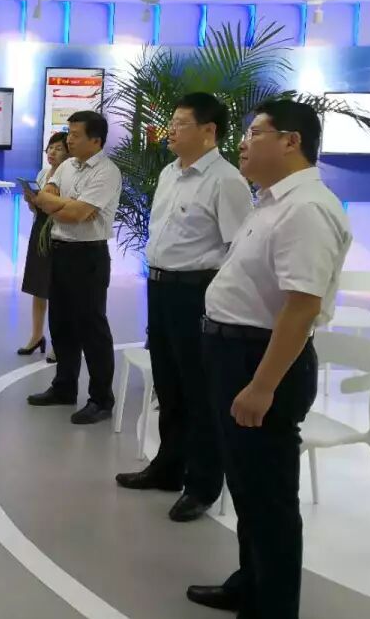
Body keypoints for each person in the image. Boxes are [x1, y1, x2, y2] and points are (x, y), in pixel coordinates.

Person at [187, 100, 350, 619]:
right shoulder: (272, 202)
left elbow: (301, 308)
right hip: (234, 352)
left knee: (270, 497)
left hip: (260, 360)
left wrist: (262, 386)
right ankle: (250, 584)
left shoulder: (307, 209)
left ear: (291, 141)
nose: (243, 143)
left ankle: (274, 608)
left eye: (255, 132)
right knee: (248, 487)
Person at [116, 93, 253, 523]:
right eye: (171, 122)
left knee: (200, 392)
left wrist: (216, 302)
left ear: (208, 131)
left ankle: (202, 484)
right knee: (169, 384)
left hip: (198, 292)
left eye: (179, 123)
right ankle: (168, 467)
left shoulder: (226, 181)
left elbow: (238, 249)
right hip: (160, 288)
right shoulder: (169, 172)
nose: (170, 130)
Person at [26, 110, 122, 425]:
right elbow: (48, 196)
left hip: (88, 256)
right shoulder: (67, 165)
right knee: (62, 324)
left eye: (76, 135)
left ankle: (101, 399)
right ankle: (64, 387)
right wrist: (62, 203)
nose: (69, 140)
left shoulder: (107, 172)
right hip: (60, 251)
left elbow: (76, 214)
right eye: (69, 133)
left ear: (96, 140)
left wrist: (57, 204)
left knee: (92, 328)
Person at [18, 131, 69, 360]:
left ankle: (60, 342)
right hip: (40, 229)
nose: (52, 152)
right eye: (50, 148)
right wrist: (31, 200)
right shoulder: (43, 172)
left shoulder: (70, 175)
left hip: (59, 231)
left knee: (58, 290)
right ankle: (37, 335)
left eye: (59, 148)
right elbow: (36, 209)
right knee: (38, 287)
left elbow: (62, 207)